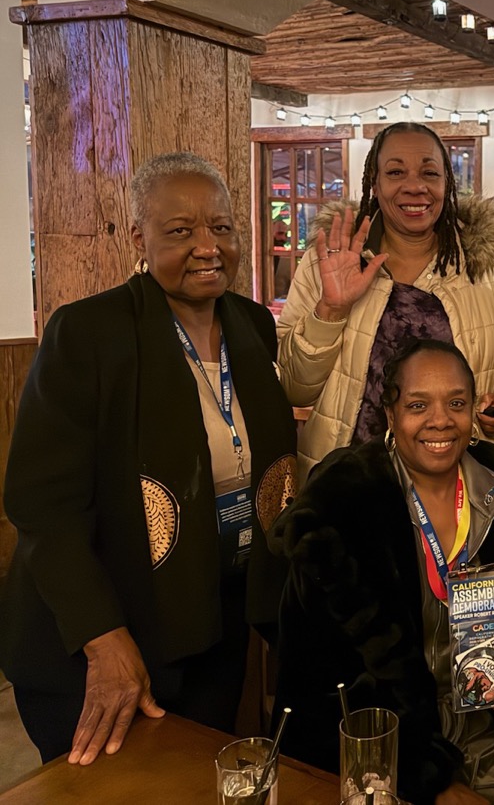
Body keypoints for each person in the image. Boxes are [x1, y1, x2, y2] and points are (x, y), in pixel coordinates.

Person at [0, 153, 296, 765]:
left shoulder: (250, 324)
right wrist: (103, 640)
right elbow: (42, 507)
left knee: (192, 778)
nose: (208, 246)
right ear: (140, 237)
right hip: (100, 639)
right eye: (181, 231)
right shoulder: (87, 333)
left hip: (212, 621)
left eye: (221, 227)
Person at [273, 339, 494, 805]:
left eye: (456, 403)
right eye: (418, 405)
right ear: (390, 415)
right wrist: (429, 782)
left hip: (489, 729)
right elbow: (326, 681)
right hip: (384, 741)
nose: (440, 420)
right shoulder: (343, 506)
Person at [277, 122, 494, 479]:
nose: (415, 186)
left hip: (462, 482)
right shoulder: (330, 259)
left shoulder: (490, 263)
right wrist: (331, 310)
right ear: (375, 184)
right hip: (349, 484)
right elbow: (293, 387)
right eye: (396, 172)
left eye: (430, 172)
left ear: (447, 183)